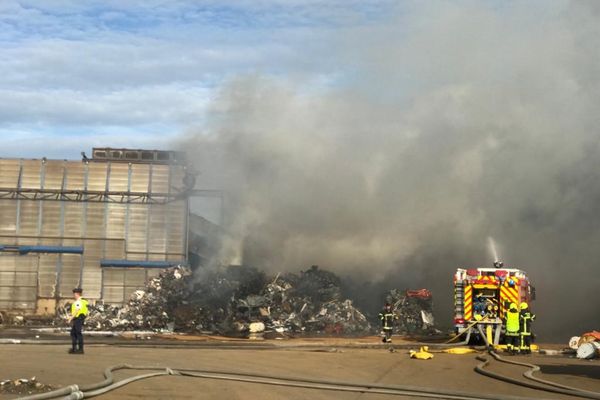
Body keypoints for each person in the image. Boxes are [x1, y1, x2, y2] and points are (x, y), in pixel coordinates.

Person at [68, 287, 88, 354]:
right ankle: (74, 348)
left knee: (78, 333)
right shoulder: (84, 301)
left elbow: (77, 310)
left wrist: (70, 319)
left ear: (77, 294)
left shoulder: (78, 301)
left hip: (78, 319)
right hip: (79, 319)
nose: (73, 295)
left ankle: (80, 349)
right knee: (73, 333)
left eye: (74, 294)